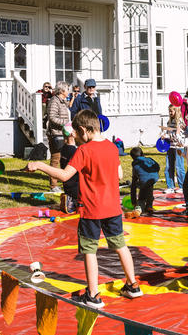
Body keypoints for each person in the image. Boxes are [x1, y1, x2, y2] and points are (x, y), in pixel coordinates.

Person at [27, 110, 143, 308]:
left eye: (77, 135)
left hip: (92, 210)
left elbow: (64, 175)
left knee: (90, 251)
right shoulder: (112, 147)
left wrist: (40, 165)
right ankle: (132, 285)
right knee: (120, 246)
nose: (77, 140)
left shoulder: (84, 151)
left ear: (83, 130)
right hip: (113, 208)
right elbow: (118, 173)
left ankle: (93, 295)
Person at [46, 81, 71, 192]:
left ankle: (62, 180)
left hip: (63, 134)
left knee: (64, 158)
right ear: (62, 91)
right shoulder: (54, 101)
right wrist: (65, 122)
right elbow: (52, 117)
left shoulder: (62, 101)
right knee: (55, 159)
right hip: (56, 135)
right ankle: (53, 185)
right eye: (67, 89)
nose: (68, 91)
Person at [129, 147, 160, 216]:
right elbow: (157, 166)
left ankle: (139, 208)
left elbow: (133, 185)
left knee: (143, 189)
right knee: (149, 186)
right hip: (154, 178)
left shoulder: (135, 165)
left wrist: (133, 201)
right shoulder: (149, 159)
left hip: (144, 180)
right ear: (143, 154)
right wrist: (154, 173)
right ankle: (149, 206)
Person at [162, 104, 186, 191]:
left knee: (179, 167)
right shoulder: (169, 122)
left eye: (172, 111)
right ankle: (170, 186)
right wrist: (164, 135)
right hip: (170, 146)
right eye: (169, 111)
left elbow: (177, 135)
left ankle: (182, 186)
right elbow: (169, 132)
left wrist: (167, 136)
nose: (170, 113)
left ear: (177, 111)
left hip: (178, 147)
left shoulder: (179, 122)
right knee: (168, 167)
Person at [58, 124, 79, 214]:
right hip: (75, 182)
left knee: (69, 189)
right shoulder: (74, 151)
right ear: (72, 134)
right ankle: (71, 202)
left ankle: (69, 198)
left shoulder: (64, 148)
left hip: (67, 182)